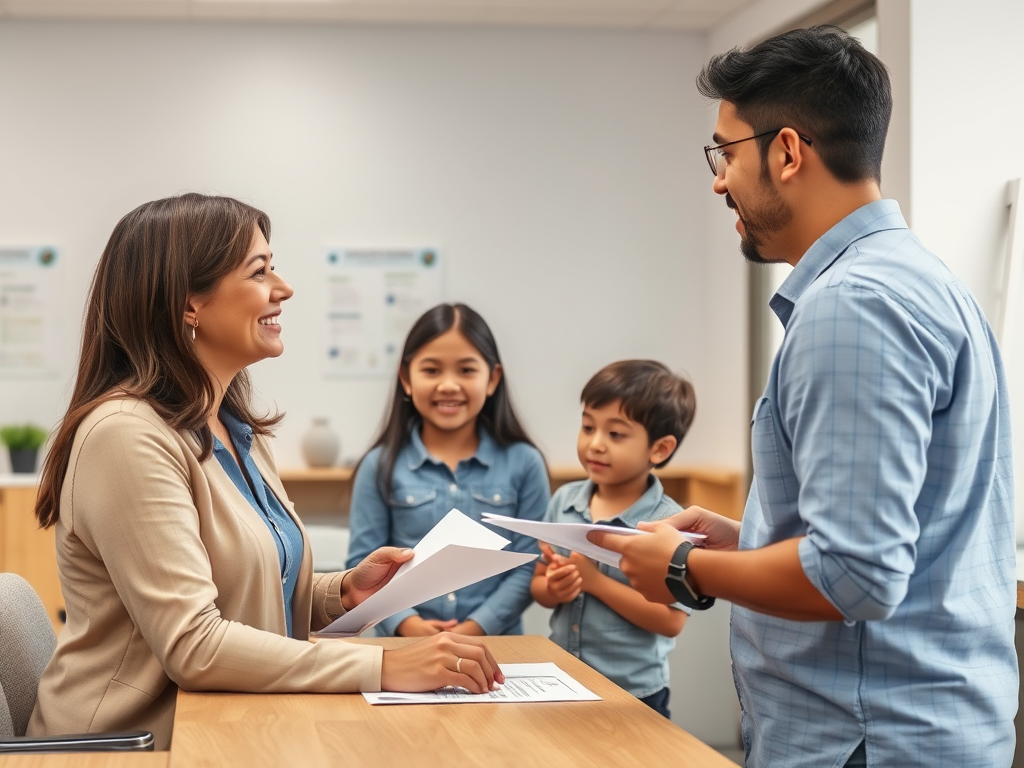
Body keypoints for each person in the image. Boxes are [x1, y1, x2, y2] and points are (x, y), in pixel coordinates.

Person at [590, 26, 1017, 768]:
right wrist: (748, 540)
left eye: (724, 153)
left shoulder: (853, 306)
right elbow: (895, 536)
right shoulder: (921, 280)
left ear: (787, 152)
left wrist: (686, 568)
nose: (717, 181)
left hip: (863, 741)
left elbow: (856, 574)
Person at [27, 194, 501, 750]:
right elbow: (195, 645)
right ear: (188, 305)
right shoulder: (126, 435)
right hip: (128, 747)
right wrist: (383, 669)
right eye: (260, 271)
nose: (284, 288)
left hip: (234, 724)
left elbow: (243, 589)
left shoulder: (233, 427)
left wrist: (343, 593)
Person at [345, 303, 550, 637]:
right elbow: (362, 565)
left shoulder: (525, 463)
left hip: (499, 651)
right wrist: (411, 627)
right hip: (404, 650)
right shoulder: (378, 466)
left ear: (492, 378)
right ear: (406, 379)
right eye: (432, 370)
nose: (449, 385)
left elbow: (529, 565)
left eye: (466, 370)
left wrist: (472, 630)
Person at [530, 360, 694, 718]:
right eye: (588, 427)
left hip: (634, 692)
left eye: (616, 434)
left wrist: (595, 584)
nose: (596, 444)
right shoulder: (564, 501)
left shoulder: (668, 522)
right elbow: (539, 587)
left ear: (660, 449)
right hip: (563, 680)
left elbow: (671, 621)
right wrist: (555, 588)